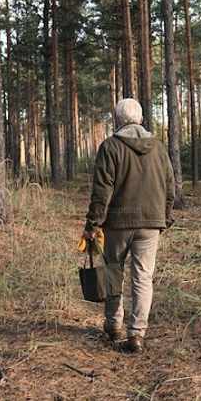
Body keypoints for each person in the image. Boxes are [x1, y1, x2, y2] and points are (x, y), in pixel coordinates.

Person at [83, 98, 175, 354]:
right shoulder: (158, 147)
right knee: (143, 277)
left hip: (118, 223)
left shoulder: (110, 147)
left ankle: (114, 326)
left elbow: (102, 190)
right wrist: (165, 217)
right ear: (141, 119)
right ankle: (137, 333)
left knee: (114, 271)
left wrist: (93, 223)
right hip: (150, 223)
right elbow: (170, 186)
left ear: (118, 120)